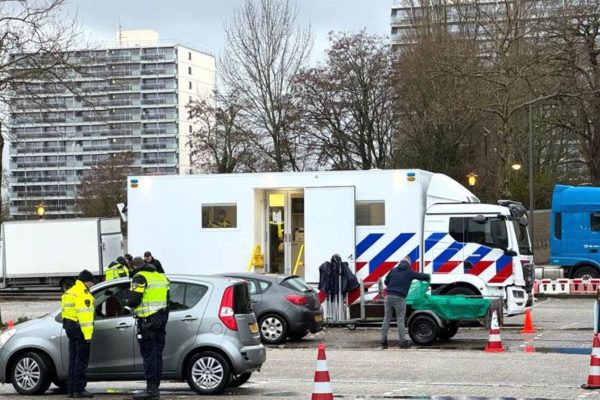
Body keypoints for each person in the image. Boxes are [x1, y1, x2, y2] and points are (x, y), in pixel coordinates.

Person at [127, 257, 170, 400]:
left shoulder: (140, 278)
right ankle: (154, 388)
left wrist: (126, 301)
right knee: (157, 356)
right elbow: (167, 303)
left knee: (149, 356)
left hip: (147, 323)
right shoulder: (161, 277)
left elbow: (133, 301)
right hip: (160, 321)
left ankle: (151, 390)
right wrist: (163, 322)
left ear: (134, 267)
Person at [380, 256, 430, 349]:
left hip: (388, 296)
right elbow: (421, 276)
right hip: (399, 298)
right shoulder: (409, 272)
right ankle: (402, 342)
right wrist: (428, 276)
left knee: (386, 319)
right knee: (400, 320)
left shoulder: (393, 270)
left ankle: (383, 340)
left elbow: (386, 282)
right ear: (409, 263)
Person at [61, 269, 95, 398]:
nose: (91, 285)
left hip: (70, 327)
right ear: (87, 282)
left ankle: (71, 390)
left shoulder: (70, 292)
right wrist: (87, 336)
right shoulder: (83, 294)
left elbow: (65, 313)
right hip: (80, 330)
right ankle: (79, 390)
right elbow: (85, 317)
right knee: (81, 360)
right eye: (91, 283)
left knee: (73, 359)